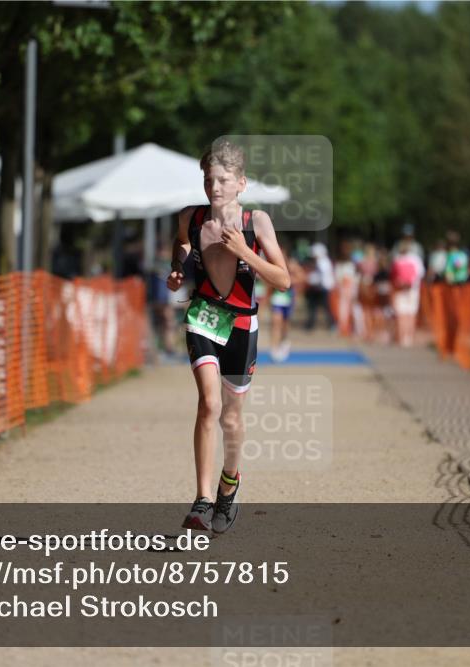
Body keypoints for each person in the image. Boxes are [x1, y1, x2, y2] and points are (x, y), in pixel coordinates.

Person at [166, 141, 290, 533]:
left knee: (232, 419)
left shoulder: (257, 222)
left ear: (240, 183)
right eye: (208, 179)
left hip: (241, 324)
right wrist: (177, 268)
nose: (214, 187)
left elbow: (284, 280)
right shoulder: (191, 217)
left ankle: (228, 485)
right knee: (209, 404)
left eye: (222, 180)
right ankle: (202, 500)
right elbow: (181, 244)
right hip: (203, 315)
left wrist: (245, 252)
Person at [269, 242, 305, 362]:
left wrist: (289, 281)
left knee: (284, 325)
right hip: (277, 299)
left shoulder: (291, 265)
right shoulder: (272, 264)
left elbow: (302, 277)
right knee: (276, 322)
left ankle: (284, 342)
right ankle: (274, 348)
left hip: (288, 299)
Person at [390, 241, 425, 346]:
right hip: (412, 290)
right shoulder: (415, 260)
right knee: (410, 313)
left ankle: (403, 337)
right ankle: (408, 337)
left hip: (401, 289)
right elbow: (420, 274)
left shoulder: (397, 260)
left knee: (402, 313)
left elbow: (393, 276)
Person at [304, 242, 336, 331]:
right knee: (314, 307)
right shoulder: (322, 262)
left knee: (325, 307)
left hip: (322, 288)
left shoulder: (323, 262)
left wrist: (311, 280)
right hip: (320, 288)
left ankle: (332, 324)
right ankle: (311, 324)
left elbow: (321, 276)